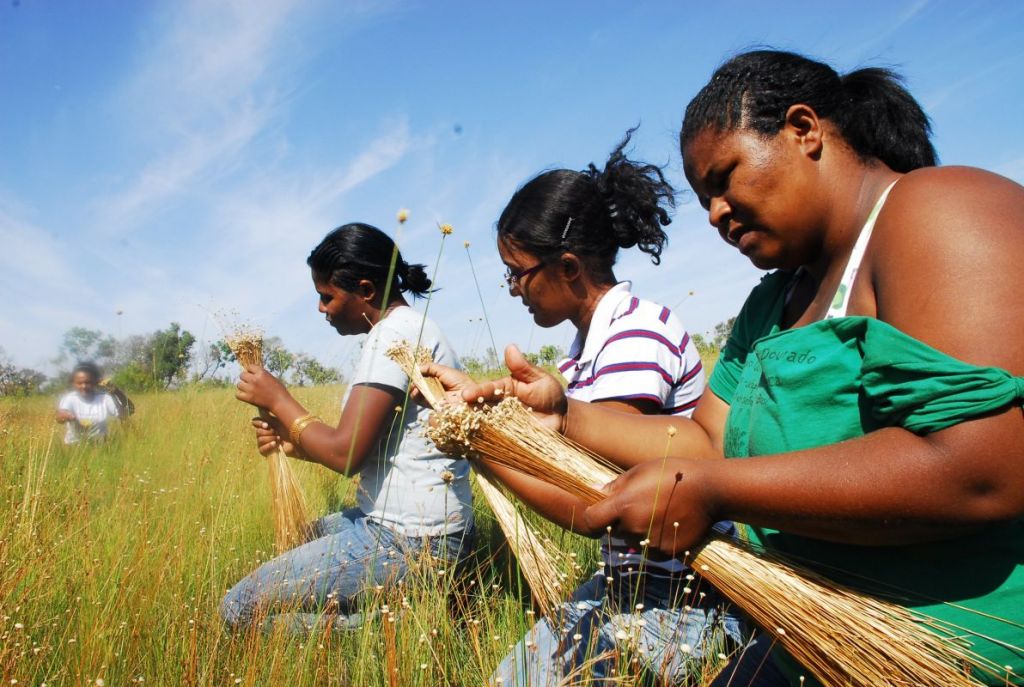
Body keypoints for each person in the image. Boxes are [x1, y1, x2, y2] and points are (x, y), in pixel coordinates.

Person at [430, 50, 1024, 685]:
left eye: (724, 179)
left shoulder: (939, 208)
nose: (715, 214)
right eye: (703, 196)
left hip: (956, 646)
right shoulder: (773, 302)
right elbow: (705, 441)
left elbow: (983, 468)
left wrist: (716, 491)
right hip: (809, 634)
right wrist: (565, 415)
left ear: (804, 130)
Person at [483, 129, 747, 685]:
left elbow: (593, 504)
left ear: (570, 268)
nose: (514, 289)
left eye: (518, 272)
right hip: (632, 585)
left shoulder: (635, 335)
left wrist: (480, 446)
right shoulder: (584, 355)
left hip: (682, 596)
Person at [223, 222, 475, 633]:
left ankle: (396, 627)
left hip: (412, 540)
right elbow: (370, 449)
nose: (321, 308)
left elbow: (346, 454)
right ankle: (412, 608)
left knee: (238, 608)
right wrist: (293, 443)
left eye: (327, 297)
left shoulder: (393, 336)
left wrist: (278, 400)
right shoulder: (406, 329)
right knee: (297, 536)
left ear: (366, 290)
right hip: (414, 527)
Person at [55, 362, 124, 444]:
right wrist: (66, 416)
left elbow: (123, 414)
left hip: (101, 445)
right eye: (79, 383)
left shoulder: (104, 398)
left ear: (95, 382)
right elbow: (60, 417)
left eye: (88, 382)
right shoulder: (70, 398)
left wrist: (116, 392)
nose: (84, 386)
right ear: (74, 384)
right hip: (74, 446)